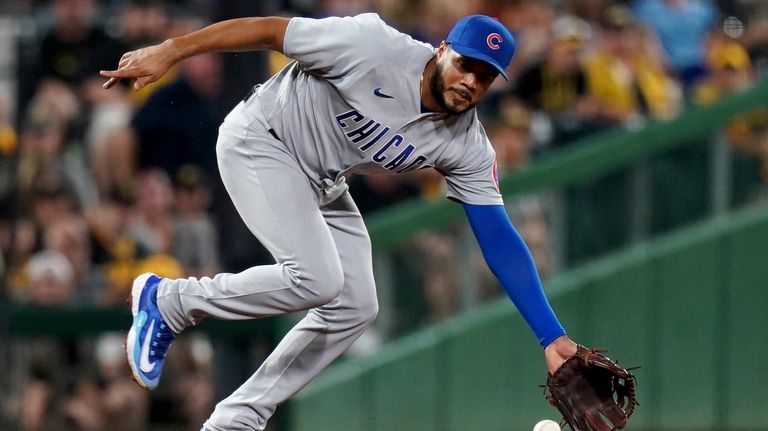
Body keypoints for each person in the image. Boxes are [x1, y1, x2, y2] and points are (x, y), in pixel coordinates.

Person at [101, 13, 579, 430]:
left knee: (356, 305)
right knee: (318, 279)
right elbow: (269, 31)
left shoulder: (467, 145)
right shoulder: (371, 46)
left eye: (486, 76)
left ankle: (237, 419)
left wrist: (550, 334)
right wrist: (171, 51)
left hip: (323, 180)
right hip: (262, 139)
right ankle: (170, 300)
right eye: (466, 64)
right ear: (442, 50)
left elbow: (497, 236)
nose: (471, 81)